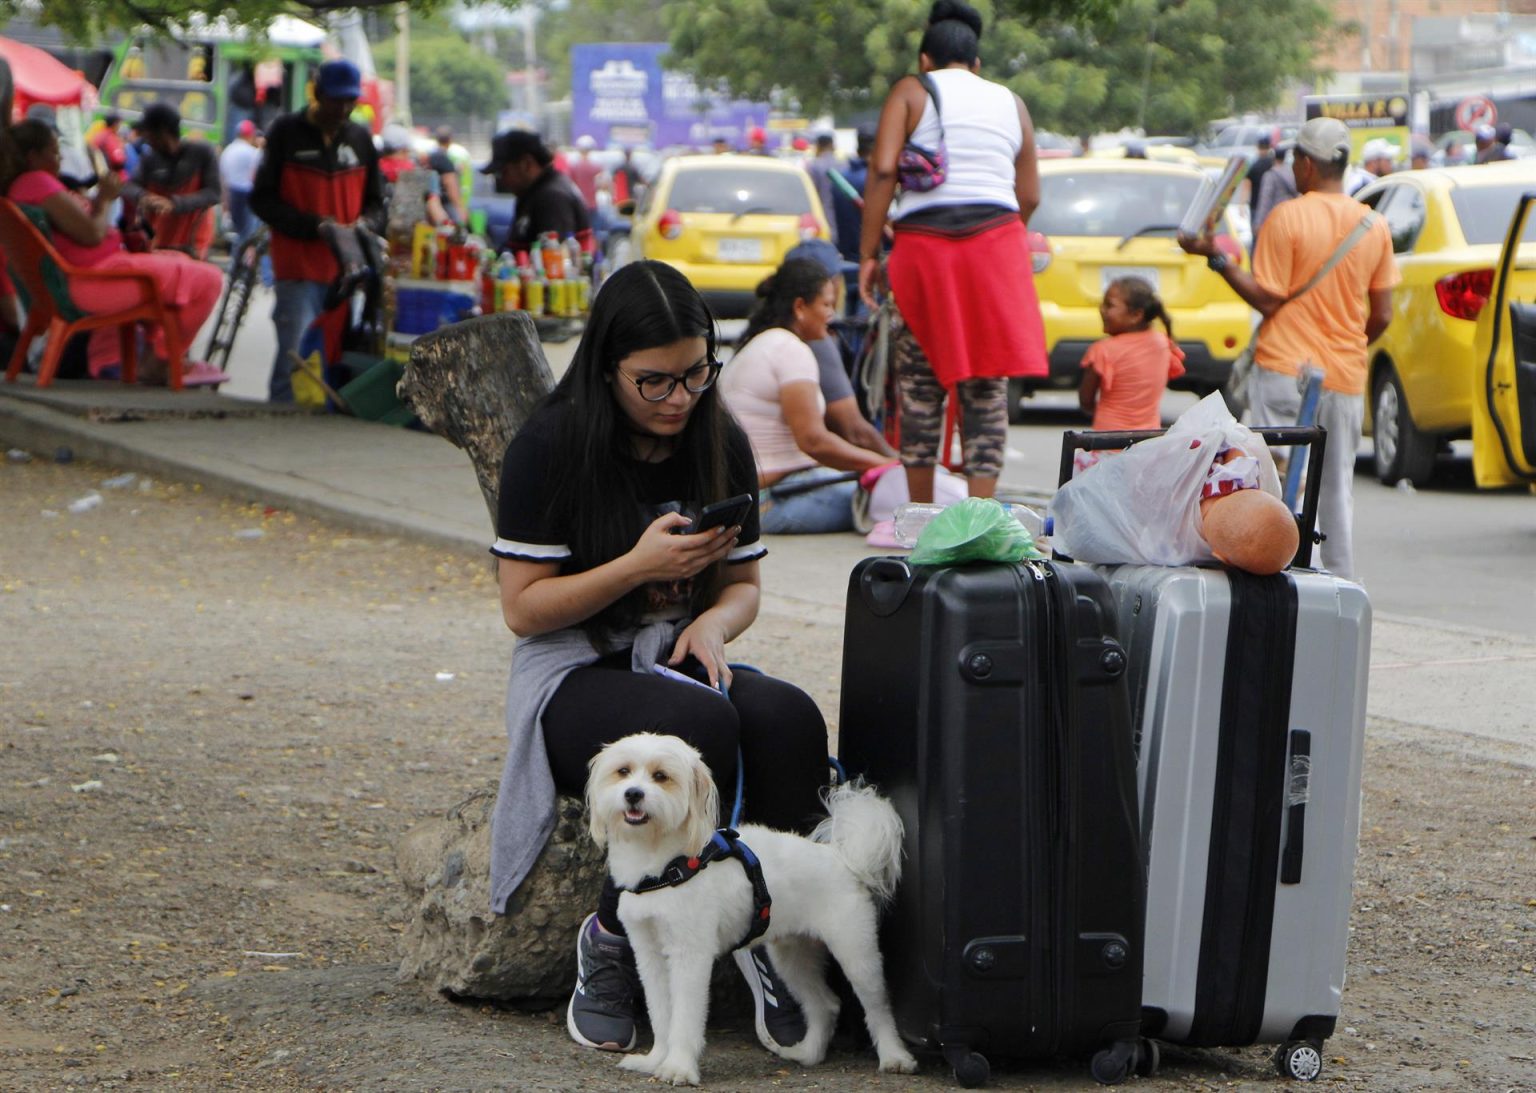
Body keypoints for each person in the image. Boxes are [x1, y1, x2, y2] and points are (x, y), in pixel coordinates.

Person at [488, 259, 829, 1056]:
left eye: (696, 374)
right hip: (570, 671)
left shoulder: (719, 436)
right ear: (608, 368)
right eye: (655, 383)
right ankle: (610, 938)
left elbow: (743, 585)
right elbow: (523, 608)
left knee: (786, 716)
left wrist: (714, 623)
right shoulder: (549, 446)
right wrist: (639, 567)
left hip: (676, 653)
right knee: (696, 719)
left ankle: (763, 932)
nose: (680, 398)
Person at [1179, 116, 1398, 580]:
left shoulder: (1287, 218)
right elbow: (1381, 315)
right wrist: (1349, 346)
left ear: (1306, 164)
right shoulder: (1373, 225)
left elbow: (1267, 298)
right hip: (1344, 375)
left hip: (1284, 372)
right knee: (1336, 487)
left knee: (1281, 481)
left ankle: (1287, 579)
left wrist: (1215, 259)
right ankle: (1339, 583)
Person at [858, 0, 1049, 504]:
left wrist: (868, 255)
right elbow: (1028, 196)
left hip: (924, 251)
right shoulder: (1012, 102)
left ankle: (921, 516)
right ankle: (981, 513)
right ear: (977, 64)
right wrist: (999, 245)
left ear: (925, 60)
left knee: (920, 387)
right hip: (996, 247)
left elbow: (882, 171)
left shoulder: (911, 91)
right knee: (985, 389)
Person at [0, 118, 225, 385]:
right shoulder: (38, 182)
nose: (59, 157)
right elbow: (92, 234)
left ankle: (156, 357)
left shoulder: (22, 187)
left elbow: (79, 227)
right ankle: (162, 360)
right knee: (209, 279)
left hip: (79, 280)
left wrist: (98, 202)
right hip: (90, 283)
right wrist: (106, 198)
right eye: (53, 150)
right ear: (33, 157)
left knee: (178, 261)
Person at [719, 258, 894, 533]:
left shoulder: (761, 343)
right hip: (771, 502)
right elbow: (813, 441)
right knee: (895, 501)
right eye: (826, 305)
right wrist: (887, 465)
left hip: (751, 498)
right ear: (800, 307)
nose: (832, 315)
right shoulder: (790, 350)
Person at [250, 58, 385, 404]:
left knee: (332, 355)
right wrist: (315, 226)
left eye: (349, 100)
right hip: (297, 266)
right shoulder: (285, 132)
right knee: (293, 355)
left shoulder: (360, 139)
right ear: (318, 94)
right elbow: (262, 200)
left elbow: (377, 203)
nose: (342, 108)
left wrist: (365, 224)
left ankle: (322, 423)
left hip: (346, 271)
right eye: (335, 99)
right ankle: (277, 419)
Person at [1079, 276, 1186, 431]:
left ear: (1136, 315)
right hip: (1148, 442)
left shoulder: (1102, 350)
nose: (1101, 309)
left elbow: (1086, 401)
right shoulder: (1163, 343)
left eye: (1109, 305)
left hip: (1108, 443)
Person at [122, 103, 221, 259]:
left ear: (162, 132)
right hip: (158, 239)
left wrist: (174, 204)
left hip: (193, 241)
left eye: (148, 133)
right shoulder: (149, 158)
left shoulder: (202, 153)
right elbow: (128, 187)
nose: (146, 139)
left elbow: (213, 194)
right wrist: (144, 197)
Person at [480, 129, 589, 256]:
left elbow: (555, 261)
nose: (502, 180)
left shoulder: (552, 197)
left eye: (504, 172)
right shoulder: (531, 193)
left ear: (526, 164)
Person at [218, 119, 262, 245]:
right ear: (250, 135)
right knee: (247, 233)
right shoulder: (252, 152)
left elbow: (223, 178)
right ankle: (238, 260)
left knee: (238, 231)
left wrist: (224, 205)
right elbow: (256, 175)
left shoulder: (228, 150)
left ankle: (235, 259)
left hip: (231, 193)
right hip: (247, 194)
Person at [804, 132, 841, 248]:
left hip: (823, 219)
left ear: (818, 146)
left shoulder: (813, 166)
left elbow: (810, 193)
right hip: (843, 221)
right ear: (832, 145)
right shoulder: (843, 164)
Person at [1252, 144, 1297, 240]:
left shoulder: (1270, 175)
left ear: (1273, 158)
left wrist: (1258, 223)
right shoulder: (1293, 173)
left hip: (1276, 219)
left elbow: (1265, 199)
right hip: (1293, 218)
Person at [425, 125, 468, 224]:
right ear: (450, 140)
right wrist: (460, 208)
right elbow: (450, 183)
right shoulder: (444, 159)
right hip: (443, 206)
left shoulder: (431, 156)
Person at [567, 134, 604, 214]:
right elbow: (602, 183)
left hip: (578, 203)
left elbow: (570, 183)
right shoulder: (596, 166)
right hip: (592, 204)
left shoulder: (574, 166)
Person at [90, 114, 128, 179]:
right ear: (115, 124)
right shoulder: (110, 138)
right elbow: (118, 160)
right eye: (120, 123)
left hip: (98, 174)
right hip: (112, 177)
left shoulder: (99, 135)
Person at [1247, 134, 1276, 221]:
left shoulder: (1254, 166)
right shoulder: (1273, 164)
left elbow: (1247, 184)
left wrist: (1243, 202)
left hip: (1255, 204)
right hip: (1272, 205)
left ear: (1258, 147)